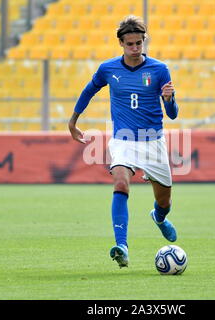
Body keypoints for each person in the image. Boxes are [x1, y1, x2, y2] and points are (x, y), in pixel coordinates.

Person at [68, 16, 179, 268]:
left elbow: (172, 113)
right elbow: (88, 91)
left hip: (153, 142)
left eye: (139, 43)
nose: (135, 48)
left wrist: (170, 99)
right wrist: (73, 121)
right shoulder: (108, 69)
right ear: (121, 43)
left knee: (164, 202)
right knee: (120, 183)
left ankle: (159, 218)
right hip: (123, 140)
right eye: (130, 44)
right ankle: (122, 247)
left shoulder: (159, 69)